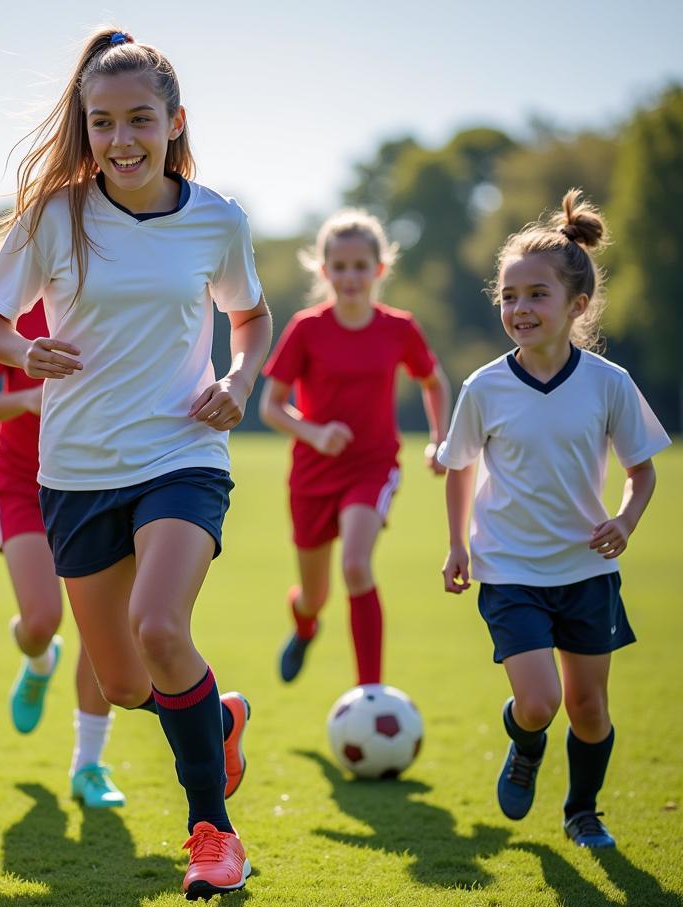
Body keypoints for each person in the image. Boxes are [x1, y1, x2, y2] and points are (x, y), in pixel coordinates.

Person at [0, 28, 270, 898]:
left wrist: (241, 378)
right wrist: (23, 356)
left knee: (161, 629)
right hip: (73, 473)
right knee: (131, 683)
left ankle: (213, 835)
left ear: (176, 122)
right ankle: (218, 720)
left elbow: (250, 319)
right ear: (85, 127)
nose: (122, 139)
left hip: (183, 453)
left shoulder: (218, 218)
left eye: (141, 119)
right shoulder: (53, 216)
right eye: (103, 123)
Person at [439, 189, 670, 848]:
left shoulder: (609, 384)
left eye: (536, 295)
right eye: (509, 297)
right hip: (509, 569)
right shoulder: (483, 388)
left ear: (577, 306)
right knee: (539, 703)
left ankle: (582, 810)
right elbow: (459, 466)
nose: (519, 309)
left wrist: (624, 521)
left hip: (586, 571)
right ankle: (526, 743)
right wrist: (457, 544)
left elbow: (643, 471)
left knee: (589, 708)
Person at [261, 210, 450, 686]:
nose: (350, 276)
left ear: (379, 270)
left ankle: (371, 694)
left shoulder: (400, 328)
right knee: (314, 594)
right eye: (339, 267)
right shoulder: (306, 328)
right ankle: (304, 624)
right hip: (311, 474)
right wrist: (316, 434)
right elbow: (271, 406)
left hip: (372, 467)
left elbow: (434, 381)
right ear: (324, 271)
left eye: (360, 266)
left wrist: (439, 437)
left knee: (356, 565)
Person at [0, 298, 125, 808]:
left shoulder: (119, 300)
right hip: (22, 487)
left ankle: (89, 766)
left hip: (100, 485)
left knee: (103, 632)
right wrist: (27, 401)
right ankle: (38, 661)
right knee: (41, 620)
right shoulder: (11, 315)